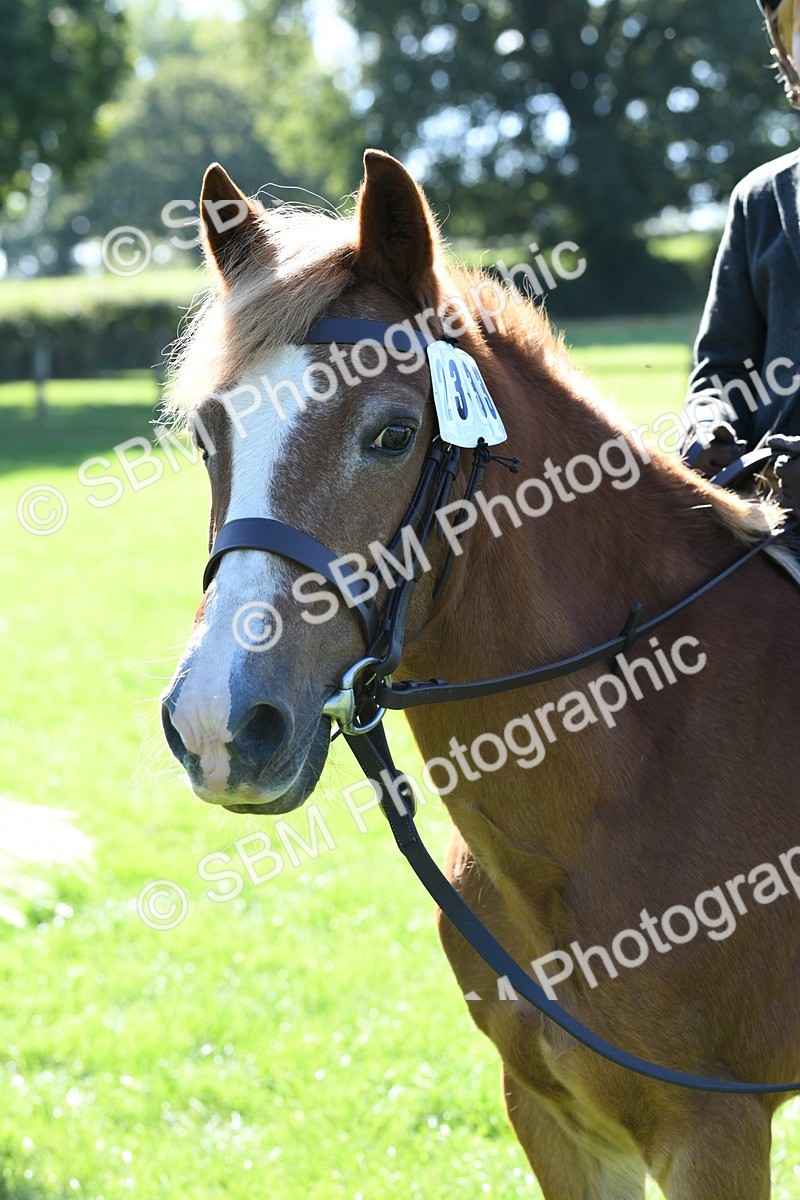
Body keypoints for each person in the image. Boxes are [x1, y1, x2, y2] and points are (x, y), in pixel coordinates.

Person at [682, 0, 800, 511]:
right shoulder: (761, 199)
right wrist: (707, 423)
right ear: (787, 51)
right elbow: (724, 369)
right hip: (776, 519)